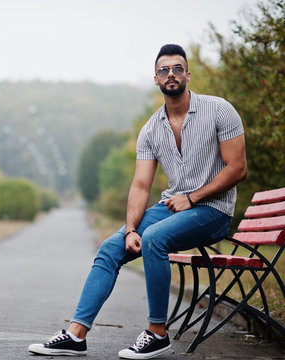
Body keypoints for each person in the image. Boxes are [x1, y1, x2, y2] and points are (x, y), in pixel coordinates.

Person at [28, 44, 247, 359]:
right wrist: (131, 228)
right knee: (110, 247)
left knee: (155, 238)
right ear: (156, 79)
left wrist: (193, 197)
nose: (170, 74)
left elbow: (238, 168)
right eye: (163, 70)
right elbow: (141, 185)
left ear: (187, 74)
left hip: (214, 210)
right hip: (172, 207)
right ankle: (76, 335)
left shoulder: (219, 110)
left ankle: (157, 333)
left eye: (176, 68)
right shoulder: (150, 130)